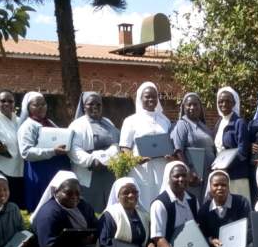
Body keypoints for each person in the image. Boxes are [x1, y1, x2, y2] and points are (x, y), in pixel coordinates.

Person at [149, 161, 221, 247]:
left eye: (184, 175)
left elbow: (197, 227)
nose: (181, 179)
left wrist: (208, 241)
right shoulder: (160, 204)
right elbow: (158, 239)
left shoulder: (192, 200)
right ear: (168, 178)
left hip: (190, 245)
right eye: (176, 176)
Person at [196, 169, 253, 247]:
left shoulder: (241, 202)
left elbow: (250, 228)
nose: (220, 188)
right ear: (210, 187)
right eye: (216, 185)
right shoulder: (204, 210)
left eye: (223, 185)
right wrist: (211, 240)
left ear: (228, 186)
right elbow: (201, 234)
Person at [119, 81, 173, 210]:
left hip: (161, 166)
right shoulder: (131, 120)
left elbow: (169, 142)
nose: (151, 99)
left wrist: (169, 154)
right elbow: (124, 147)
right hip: (141, 168)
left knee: (161, 199)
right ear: (140, 98)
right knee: (143, 200)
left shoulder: (164, 120)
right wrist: (136, 160)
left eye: (154, 96)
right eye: (147, 96)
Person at [17, 91, 72, 213]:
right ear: (28, 108)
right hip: (39, 171)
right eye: (36, 105)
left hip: (53, 170)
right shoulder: (28, 126)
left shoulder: (49, 122)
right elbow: (25, 152)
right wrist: (53, 151)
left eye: (43, 104)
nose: (41, 107)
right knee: (41, 203)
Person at [68, 91, 121, 213]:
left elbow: (116, 144)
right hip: (90, 173)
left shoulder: (108, 122)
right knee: (91, 209)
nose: (95, 107)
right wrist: (92, 161)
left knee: (109, 208)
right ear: (83, 106)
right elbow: (74, 150)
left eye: (98, 104)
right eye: (90, 104)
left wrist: (107, 158)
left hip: (109, 173)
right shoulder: (77, 125)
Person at [171, 92, 216, 198]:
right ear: (184, 107)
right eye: (189, 104)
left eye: (196, 104)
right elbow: (178, 150)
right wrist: (188, 173)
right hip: (195, 174)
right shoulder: (182, 124)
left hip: (208, 173)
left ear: (200, 107)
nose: (192, 107)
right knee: (195, 202)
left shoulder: (203, 126)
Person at [214, 86, 251, 203]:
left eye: (227, 101)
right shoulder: (219, 123)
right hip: (222, 172)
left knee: (239, 208)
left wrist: (226, 165)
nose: (223, 104)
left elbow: (243, 151)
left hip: (237, 173)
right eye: (220, 101)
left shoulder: (239, 122)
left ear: (234, 103)